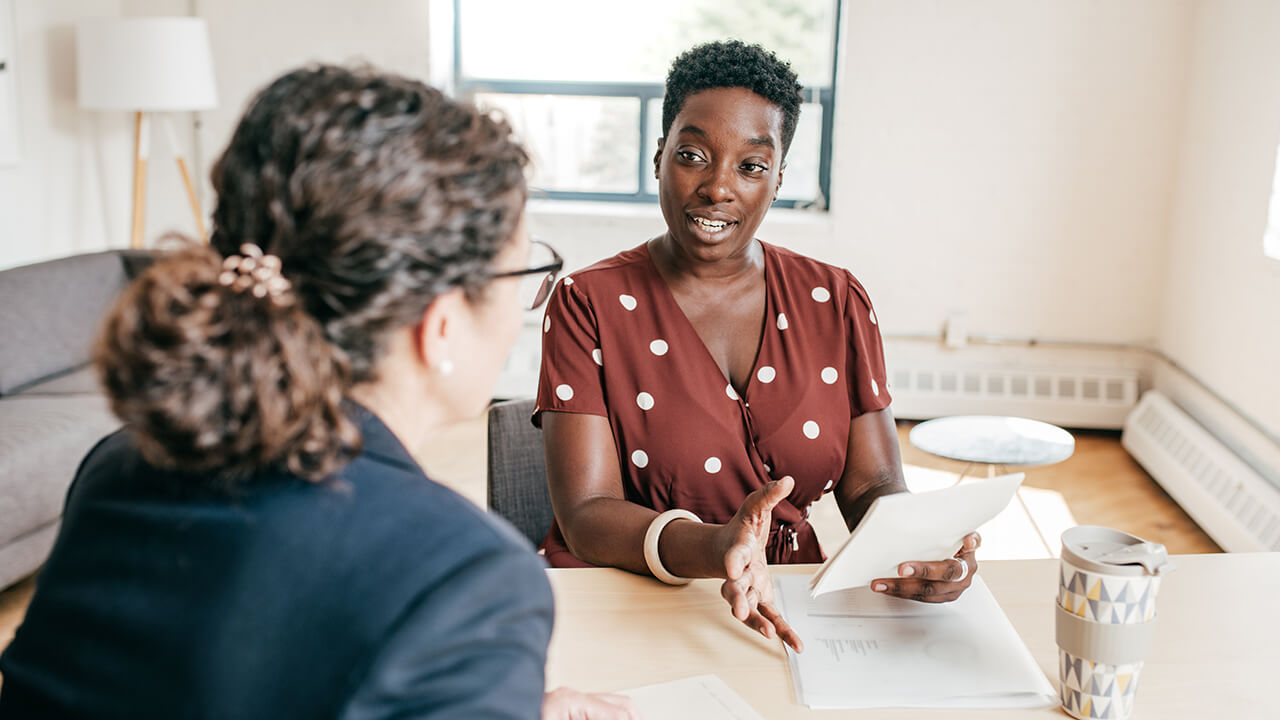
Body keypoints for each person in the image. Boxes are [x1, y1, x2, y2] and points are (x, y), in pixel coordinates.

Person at [0, 65, 635, 719]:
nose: (527, 306)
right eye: (525, 272)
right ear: (440, 326)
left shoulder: (122, 463)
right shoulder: (462, 577)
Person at [535, 41, 981, 651]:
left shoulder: (838, 299)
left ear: (776, 180)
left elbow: (871, 482)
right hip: (625, 600)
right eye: (693, 155)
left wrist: (920, 550)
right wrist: (719, 546)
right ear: (659, 157)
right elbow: (586, 515)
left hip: (790, 603)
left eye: (750, 166)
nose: (718, 187)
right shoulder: (588, 303)